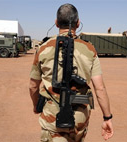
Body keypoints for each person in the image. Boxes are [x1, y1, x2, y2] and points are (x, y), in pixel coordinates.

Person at [29, 3, 113, 142]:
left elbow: (33, 86)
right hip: (79, 120)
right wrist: (107, 117)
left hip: (51, 118)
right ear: (78, 23)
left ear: (56, 23)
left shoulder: (42, 48)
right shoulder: (90, 49)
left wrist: (36, 105)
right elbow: (100, 88)